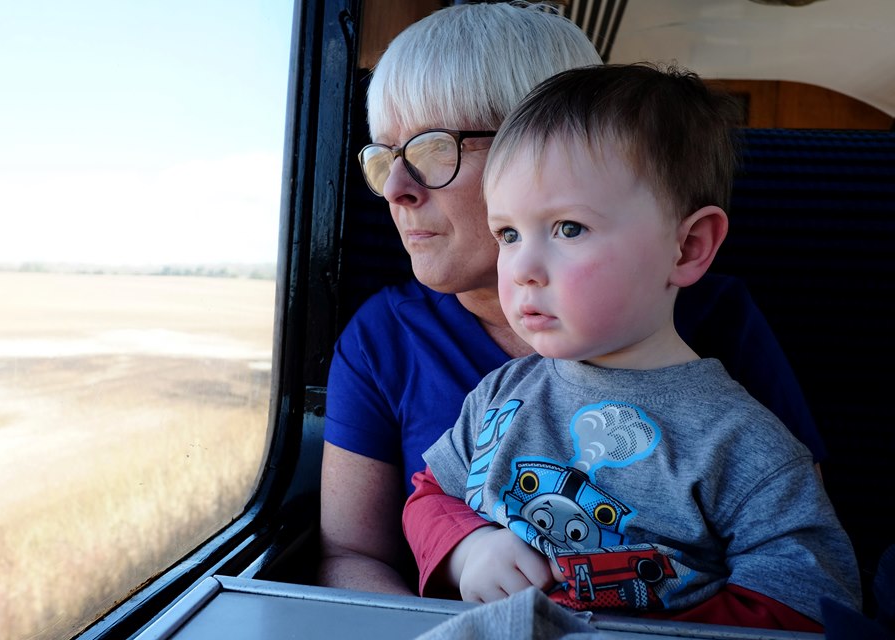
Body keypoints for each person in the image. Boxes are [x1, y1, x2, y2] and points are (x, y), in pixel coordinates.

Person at [319, 1, 825, 596]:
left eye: (434, 149)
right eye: (385, 159)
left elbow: (797, 566)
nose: (396, 190)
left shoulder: (716, 325)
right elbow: (354, 551)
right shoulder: (388, 340)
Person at [403, 63, 860, 630]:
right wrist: (468, 548)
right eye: (509, 234)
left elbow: (807, 599)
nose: (521, 269)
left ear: (688, 247)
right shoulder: (500, 394)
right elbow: (430, 496)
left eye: (568, 228)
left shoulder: (742, 445)